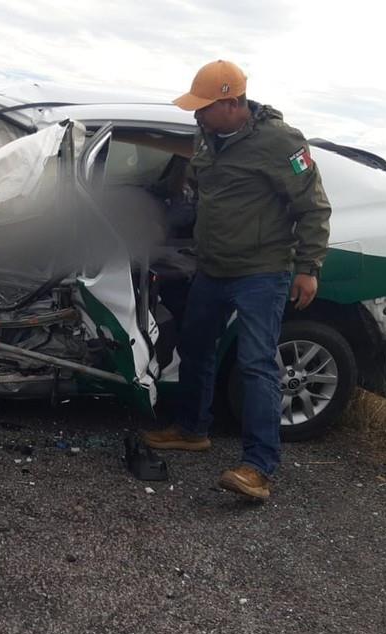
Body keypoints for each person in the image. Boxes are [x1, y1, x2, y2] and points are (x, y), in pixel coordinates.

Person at [141, 60, 331, 500]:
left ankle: (258, 467)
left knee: (257, 363)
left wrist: (309, 267)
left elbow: (314, 207)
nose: (197, 115)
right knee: (195, 345)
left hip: (261, 271)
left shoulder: (280, 141)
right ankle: (192, 429)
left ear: (231, 102)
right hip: (213, 267)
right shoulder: (206, 134)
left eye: (205, 107)